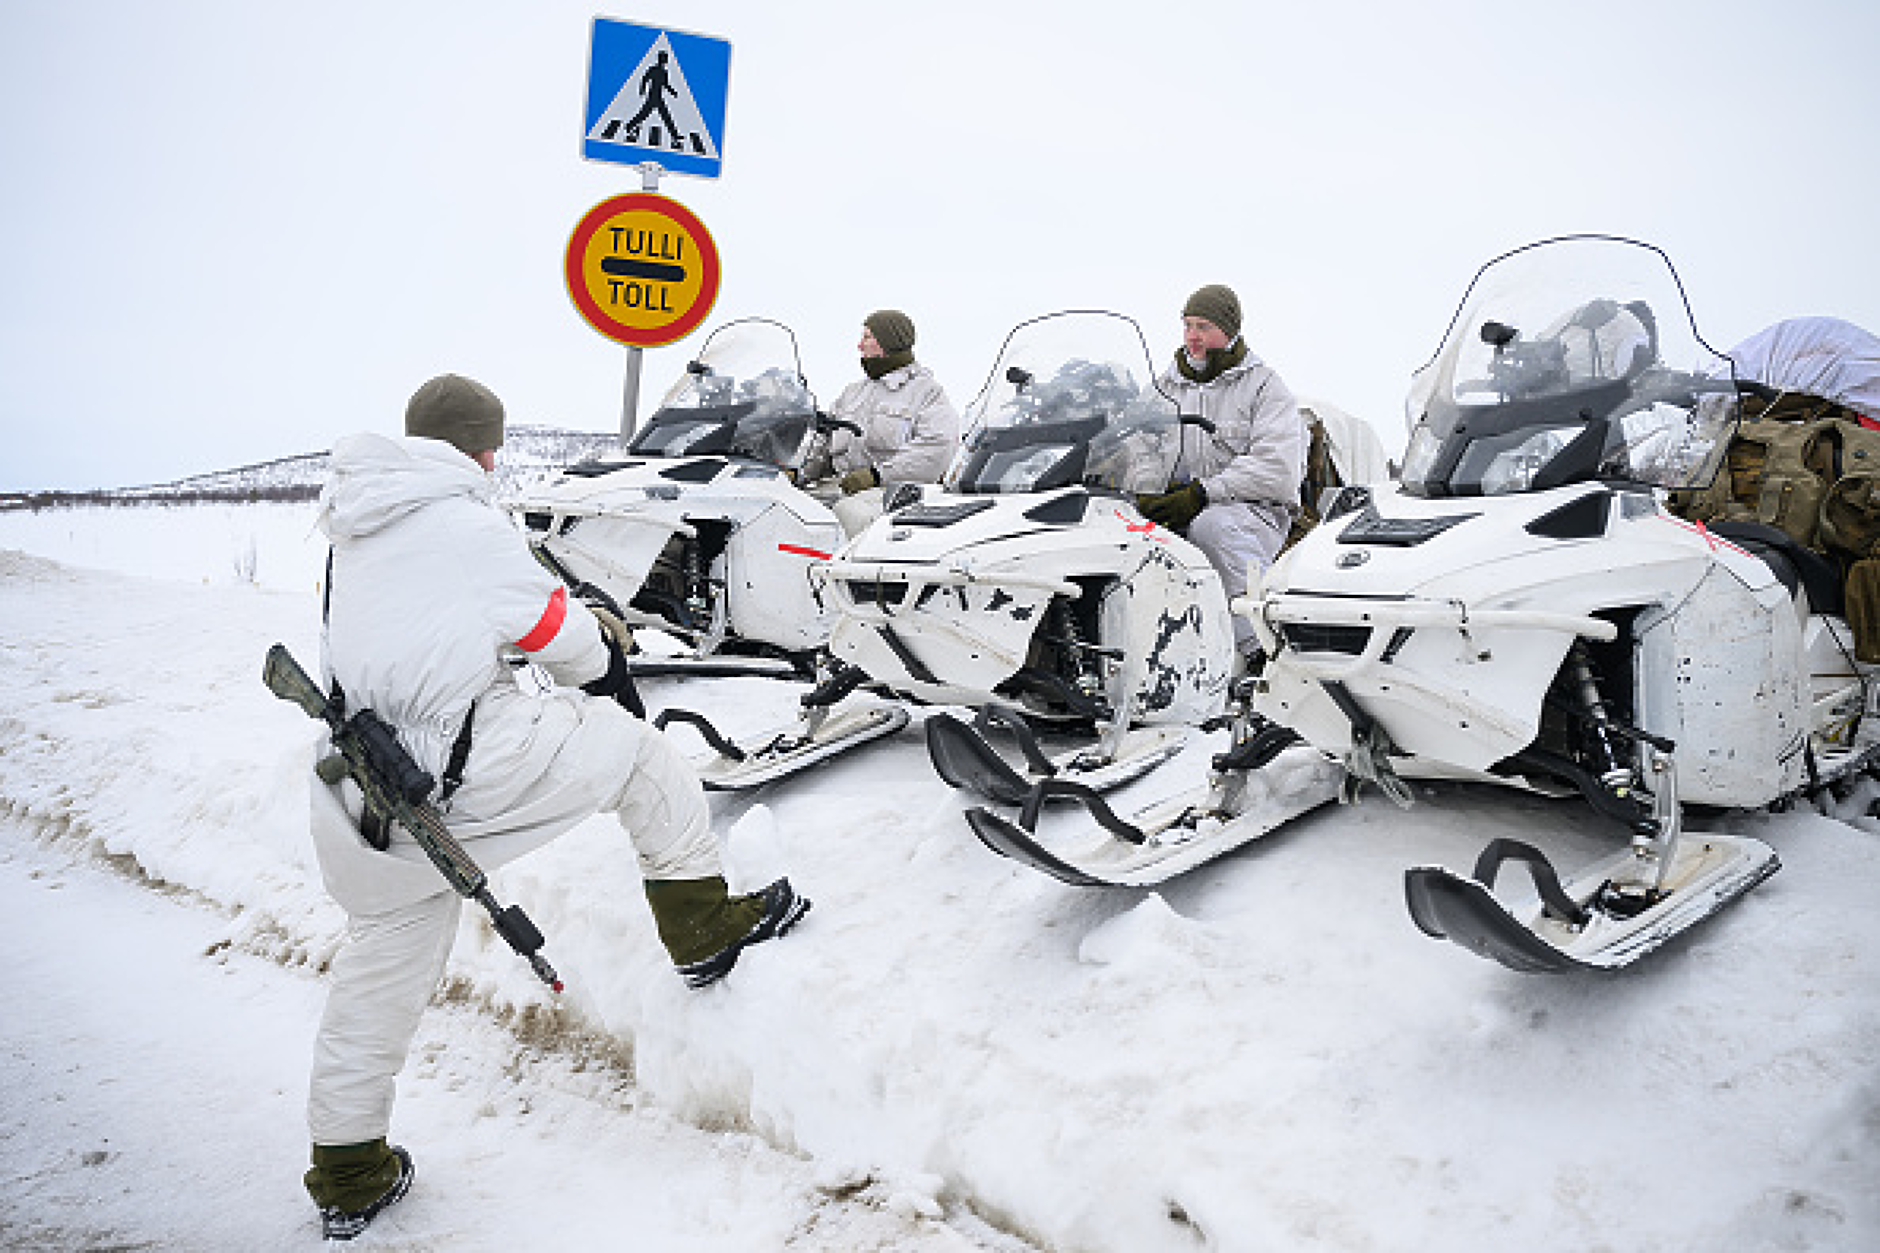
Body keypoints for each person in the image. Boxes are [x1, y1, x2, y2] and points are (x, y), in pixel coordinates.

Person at [301, 374, 810, 1240]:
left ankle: (347, 1167)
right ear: (477, 448)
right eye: (491, 445)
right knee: (642, 758)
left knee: (379, 967)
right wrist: (602, 642)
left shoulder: (353, 527)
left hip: (361, 788)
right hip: (465, 765)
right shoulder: (463, 523)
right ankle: (703, 928)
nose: (496, 458)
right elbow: (557, 639)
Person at [1137, 284, 1308, 659]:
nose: (1193, 337)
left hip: (1253, 512)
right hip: (1184, 505)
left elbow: (1275, 466)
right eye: (1187, 325)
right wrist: (1145, 491)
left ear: (1228, 331)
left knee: (1211, 528)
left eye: (1203, 327)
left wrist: (1202, 494)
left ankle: (1259, 647)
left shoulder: (1263, 385)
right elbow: (1138, 447)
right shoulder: (1164, 388)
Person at [810, 309, 960, 536]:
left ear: (888, 342)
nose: (859, 346)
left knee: (850, 513)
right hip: (842, 488)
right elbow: (823, 439)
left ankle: (852, 571)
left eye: (867, 337)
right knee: (794, 508)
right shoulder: (852, 393)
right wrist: (797, 470)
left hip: (895, 495)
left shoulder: (926, 392)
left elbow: (936, 449)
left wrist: (877, 476)